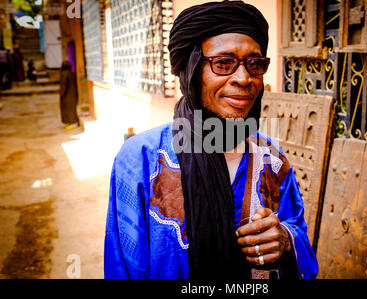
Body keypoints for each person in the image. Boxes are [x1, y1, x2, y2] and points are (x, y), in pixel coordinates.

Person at [104, 0, 318, 279]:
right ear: (192, 71)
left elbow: (296, 231)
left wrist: (285, 239)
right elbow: (123, 266)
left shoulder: (272, 159)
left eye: (254, 64)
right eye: (223, 63)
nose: (244, 78)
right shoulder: (141, 159)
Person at [59, 61, 79, 129]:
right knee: (72, 109)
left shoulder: (64, 74)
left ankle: (74, 123)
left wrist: (61, 94)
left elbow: (63, 86)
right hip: (73, 94)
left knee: (69, 110)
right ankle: (73, 122)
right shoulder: (72, 73)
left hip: (67, 96)